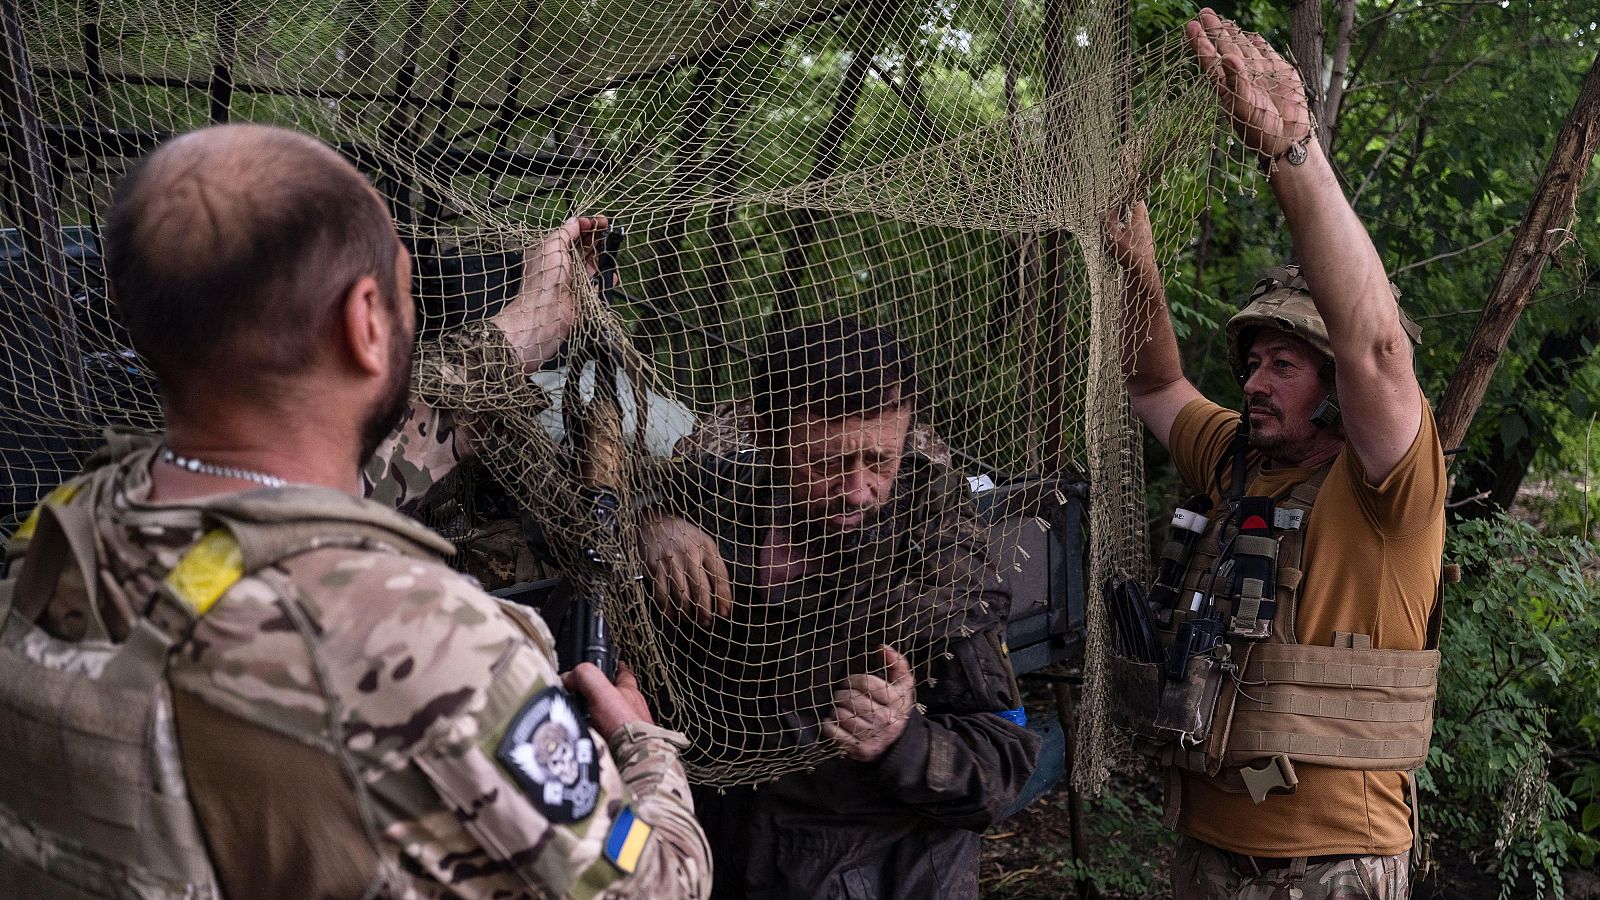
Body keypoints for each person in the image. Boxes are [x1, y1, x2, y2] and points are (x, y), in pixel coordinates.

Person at [0, 124, 710, 899]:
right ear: (365, 319)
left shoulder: (62, 537)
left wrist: (527, 330)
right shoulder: (425, 644)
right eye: (406, 293)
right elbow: (656, 887)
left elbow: (349, 468)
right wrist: (641, 753)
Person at [1106, 11, 1446, 900]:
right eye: (1251, 364)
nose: (1254, 383)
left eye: (1283, 365)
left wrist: (1293, 151)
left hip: (1330, 868)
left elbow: (1374, 346)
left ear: (1339, 388)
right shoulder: (1238, 462)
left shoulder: (1387, 490)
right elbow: (1153, 387)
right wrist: (1135, 263)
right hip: (1206, 854)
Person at [638, 316, 1041, 899]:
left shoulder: (937, 550)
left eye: (880, 461)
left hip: (881, 873)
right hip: (719, 856)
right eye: (827, 463)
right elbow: (581, 511)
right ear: (767, 436)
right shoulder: (715, 496)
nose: (857, 491)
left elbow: (1005, 761)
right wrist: (653, 526)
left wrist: (902, 740)